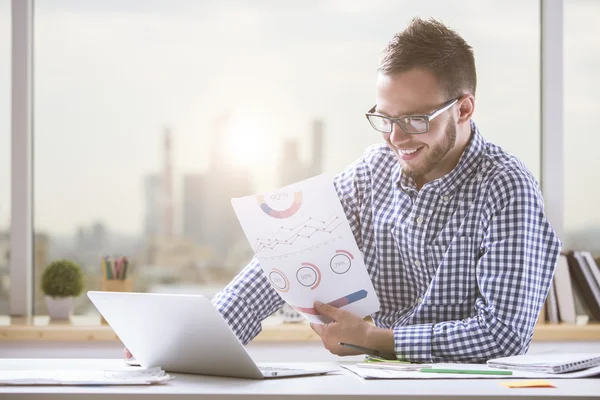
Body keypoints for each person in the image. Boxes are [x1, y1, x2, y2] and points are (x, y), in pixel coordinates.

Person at [126, 17, 561, 363]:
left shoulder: (507, 188)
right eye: (386, 118)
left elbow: (503, 334)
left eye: (415, 120)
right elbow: (282, 263)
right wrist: (187, 343)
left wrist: (376, 338)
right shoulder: (370, 174)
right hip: (372, 380)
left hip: (466, 392)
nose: (396, 137)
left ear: (464, 108)